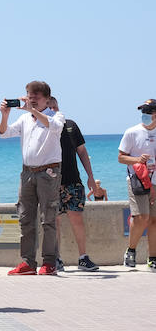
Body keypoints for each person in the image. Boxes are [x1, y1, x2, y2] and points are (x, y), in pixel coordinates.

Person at [0, 81, 63, 275]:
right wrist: (5, 115)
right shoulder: (25, 119)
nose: (31, 100)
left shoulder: (56, 115)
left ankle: (50, 262)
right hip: (27, 172)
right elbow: (4, 133)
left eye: (36, 97)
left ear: (47, 99)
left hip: (48, 173)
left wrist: (33, 111)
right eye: (29, 95)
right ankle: (27, 262)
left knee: (48, 219)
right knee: (25, 217)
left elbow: (54, 126)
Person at [50, 96, 103, 272]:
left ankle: (83, 258)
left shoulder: (71, 125)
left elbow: (82, 151)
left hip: (73, 180)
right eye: (49, 106)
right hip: (51, 182)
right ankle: (56, 258)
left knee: (77, 219)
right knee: (53, 221)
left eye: (54, 105)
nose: (52, 108)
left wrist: (90, 176)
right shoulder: (42, 128)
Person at [119, 99, 156, 269]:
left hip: (155, 181)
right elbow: (121, 157)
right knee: (142, 217)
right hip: (137, 180)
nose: (145, 115)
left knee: (154, 220)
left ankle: (152, 258)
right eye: (144, 112)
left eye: (149, 112)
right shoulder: (132, 132)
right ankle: (131, 250)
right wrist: (137, 159)